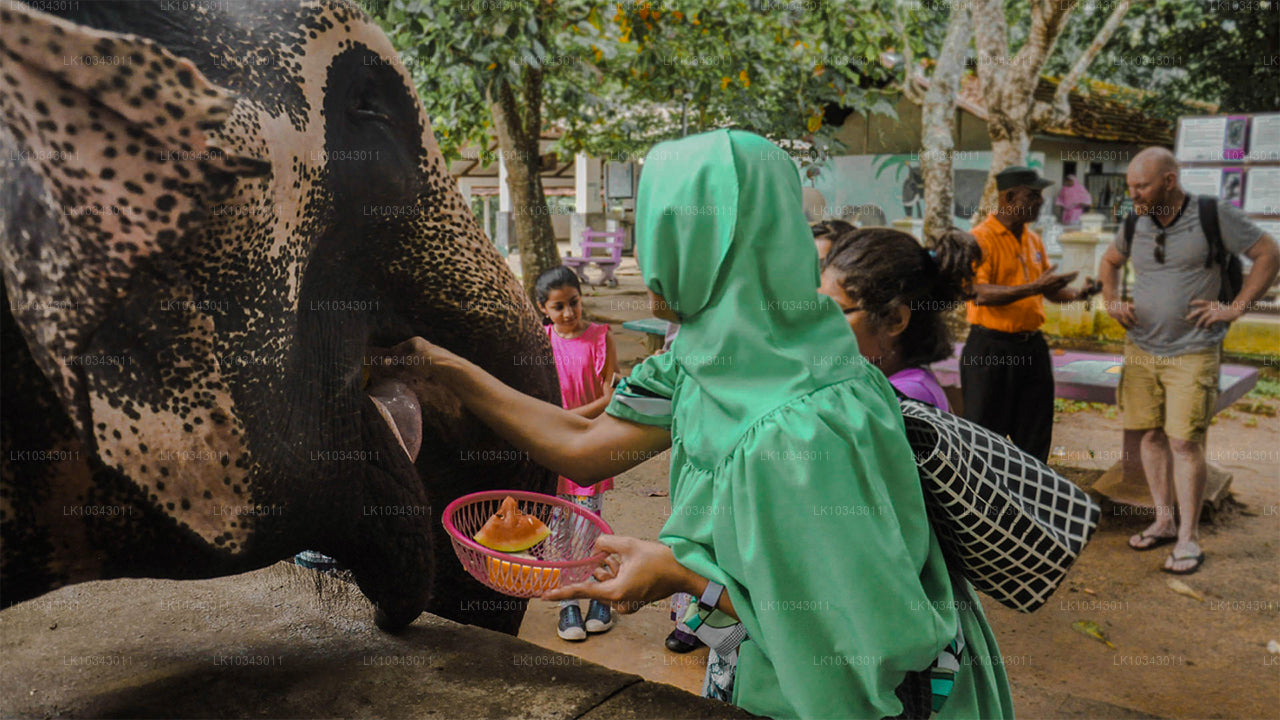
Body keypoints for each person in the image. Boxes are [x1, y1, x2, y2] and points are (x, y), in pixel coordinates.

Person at [395, 130, 1013, 720]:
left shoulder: (801, 430)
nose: (644, 247)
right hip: (758, 669)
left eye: (654, 225)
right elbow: (583, 445)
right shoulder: (701, 361)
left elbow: (856, 653)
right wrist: (438, 362)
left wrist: (682, 574)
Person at [1099, 147, 1279, 575]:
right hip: (1141, 347)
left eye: (1141, 186)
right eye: (1130, 186)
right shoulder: (1134, 221)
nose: (1134, 194)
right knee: (1150, 436)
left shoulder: (1212, 215)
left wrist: (1235, 307)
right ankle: (1163, 520)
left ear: (1169, 181)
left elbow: (1269, 253)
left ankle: (1188, 538)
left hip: (1193, 349)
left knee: (1184, 441)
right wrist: (1111, 300)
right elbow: (1109, 261)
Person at [962, 165, 1094, 462]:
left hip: (1032, 348)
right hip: (989, 349)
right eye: (1033, 196)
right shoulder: (980, 239)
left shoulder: (1033, 240)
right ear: (1009, 197)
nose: (1041, 202)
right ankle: (986, 503)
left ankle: (1033, 500)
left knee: (1034, 433)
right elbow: (978, 293)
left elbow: (1046, 290)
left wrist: (1077, 294)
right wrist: (1034, 286)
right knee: (985, 437)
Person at [534, 266, 619, 639]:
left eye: (574, 303)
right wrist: (552, 424)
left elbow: (608, 398)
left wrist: (562, 419)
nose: (568, 313)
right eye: (558, 307)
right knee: (557, 533)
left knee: (589, 529)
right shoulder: (540, 342)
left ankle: (601, 595)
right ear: (544, 309)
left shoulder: (601, 337)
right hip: (552, 452)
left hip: (590, 448)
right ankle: (569, 604)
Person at [819, 227, 982, 411]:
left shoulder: (908, 396)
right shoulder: (876, 382)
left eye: (838, 311)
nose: (821, 323)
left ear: (894, 319)